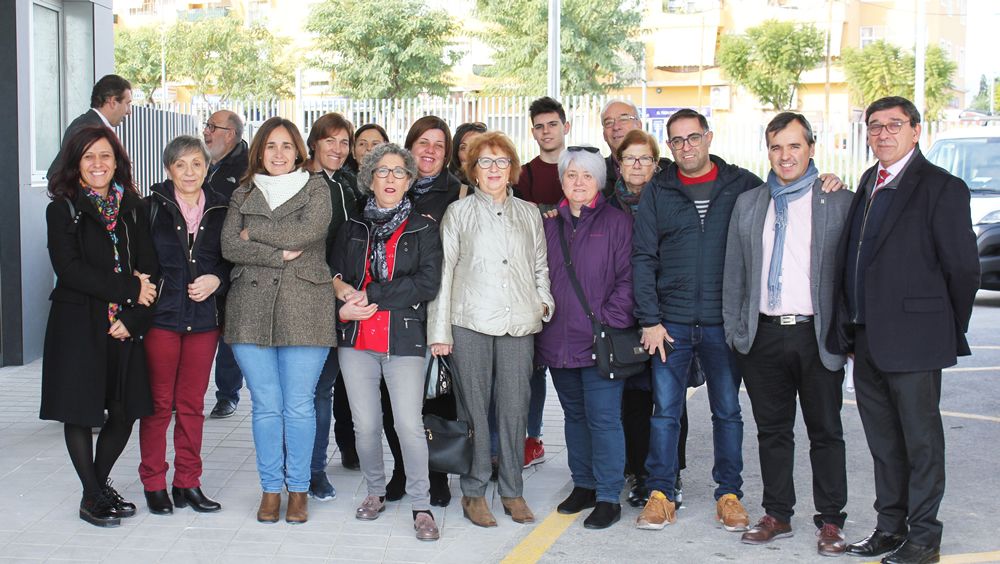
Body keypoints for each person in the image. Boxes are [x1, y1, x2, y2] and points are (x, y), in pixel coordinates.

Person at [632, 108, 844, 532]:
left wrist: (828, 180)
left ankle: (728, 494)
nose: (686, 146)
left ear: (709, 138)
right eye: (677, 140)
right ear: (669, 146)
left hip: (723, 324)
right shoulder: (659, 189)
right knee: (665, 412)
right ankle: (661, 494)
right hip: (671, 324)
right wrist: (650, 319)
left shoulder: (742, 186)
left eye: (693, 137)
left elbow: (791, 187)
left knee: (727, 412)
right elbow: (643, 256)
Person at [829, 97, 979, 564]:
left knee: (921, 443)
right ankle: (890, 527)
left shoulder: (942, 187)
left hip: (916, 340)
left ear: (916, 131)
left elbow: (963, 269)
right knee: (883, 443)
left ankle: (924, 537)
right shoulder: (868, 181)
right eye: (875, 126)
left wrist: (942, 326)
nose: (883, 133)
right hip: (866, 338)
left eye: (894, 125)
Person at [722, 113, 851, 556]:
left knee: (826, 431)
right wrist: (737, 332)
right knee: (772, 431)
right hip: (763, 336)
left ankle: (831, 520)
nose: (785, 155)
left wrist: (846, 335)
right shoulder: (750, 203)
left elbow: (850, 275)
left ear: (811, 148)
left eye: (794, 146)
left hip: (816, 336)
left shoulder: (837, 200)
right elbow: (735, 273)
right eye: (776, 147)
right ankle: (777, 514)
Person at [428, 131, 554, 528]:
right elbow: (445, 272)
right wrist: (440, 331)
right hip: (470, 321)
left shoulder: (528, 213)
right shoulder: (458, 213)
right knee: (473, 410)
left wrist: (543, 302)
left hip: (519, 321)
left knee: (515, 407)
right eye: (485, 162)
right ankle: (474, 491)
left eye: (501, 161)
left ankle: (513, 491)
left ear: (512, 168)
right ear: (474, 170)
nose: (494, 169)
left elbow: (540, 265)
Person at [41, 124, 158, 527]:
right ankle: (93, 495)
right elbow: (69, 269)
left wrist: (133, 317)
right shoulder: (63, 209)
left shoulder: (134, 207)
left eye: (105, 155)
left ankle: (95, 488)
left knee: (124, 411)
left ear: (116, 161)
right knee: (79, 411)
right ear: (75, 163)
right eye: (88, 156)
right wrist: (129, 288)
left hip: (123, 328)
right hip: (77, 326)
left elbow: (150, 269)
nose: (97, 164)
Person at [220, 117, 335, 525]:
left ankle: (299, 489)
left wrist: (254, 235)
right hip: (249, 308)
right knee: (266, 406)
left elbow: (308, 232)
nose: (279, 153)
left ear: (299, 151)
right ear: (259, 152)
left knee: (299, 405)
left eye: (287, 145)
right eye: (271, 146)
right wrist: (275, 253)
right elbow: (229, 244)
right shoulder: (243, 191)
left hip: (305, 306)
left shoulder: (316, 187)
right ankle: (271, 489)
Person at [331, 143, 443, 541]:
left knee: (409, 425)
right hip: (356, 338)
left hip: (404, 337)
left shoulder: (424, 227)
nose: (391, 178)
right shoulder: (352, 226)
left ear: (410, 180)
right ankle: (375, 492)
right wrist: (343, 298)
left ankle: (421, 505)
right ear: (370, 179)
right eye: (382, 171)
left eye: (399, 172)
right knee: (365, 426)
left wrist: (373, 294)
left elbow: (427, 283)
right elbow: (334, 274)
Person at [536, 145, 633, 530]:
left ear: (600, 181)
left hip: (599, 341)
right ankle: (584, 484)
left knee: (604, 420)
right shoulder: (548, 225)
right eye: (571, 175)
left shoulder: (617, 223)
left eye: (587, 175)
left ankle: (608, 496)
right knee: (574, 417)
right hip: (558, 341)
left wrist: (607, 322)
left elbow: (628, 280)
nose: (578, 182)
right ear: (562, 180)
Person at [376, 116, 463, 506]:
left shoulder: (458, 193)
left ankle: (437, 475)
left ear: (447, 154)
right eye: (422, 142)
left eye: (438, 145)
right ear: (408, 147)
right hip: (392, 310)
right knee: (393, 399)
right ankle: (403, 469)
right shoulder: (390, 185)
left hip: (436, 308)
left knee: (436, 395)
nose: (429, 151)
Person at [140, 136, 228, 516]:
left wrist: (217, 279)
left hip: (204, 322)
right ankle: (154, 483)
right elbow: (138, 261)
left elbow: (233, 260)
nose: (189, 172)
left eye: (197, 163)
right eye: (181, 164)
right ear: (168, 169)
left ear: (207, 167)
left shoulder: (222, 208)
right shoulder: (151, 208)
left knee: (192, 405)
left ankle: (187, 482)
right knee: (159, 405)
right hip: (161, 319)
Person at [610, 129, 691, 510]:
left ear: (656, 164)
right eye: (630, 158)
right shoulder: (608, 205)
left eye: (645, 158)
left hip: (667, 312)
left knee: (669, 397)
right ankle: (640, 474)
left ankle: (670, 472)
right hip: (624, 316)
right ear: (619, 164)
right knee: (634, 399)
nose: (637, 165)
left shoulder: (672, 197)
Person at [304, 112, 361, 499]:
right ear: (314, 143)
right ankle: (298, 469)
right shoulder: (300, 183)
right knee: (304, 392)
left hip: (341, 302)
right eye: (330, 141)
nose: (338, 149)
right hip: (307, 298)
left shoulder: (345, 185)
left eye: (344, 142)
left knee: (323, 388)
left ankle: (315, 470)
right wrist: (333, 281)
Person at [517, 97, 574, 469]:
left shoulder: (582, 167)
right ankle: (532, 438)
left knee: (575, 370)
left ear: (565, 127)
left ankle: (584, 447)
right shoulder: (524, 175)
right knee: (534, 367)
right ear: (533, 132)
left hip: (579, 284)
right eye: (539, 126)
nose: (546, 131)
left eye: (552, 124)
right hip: (535, 281)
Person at [203, 110, 250, 420]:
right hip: (205, 258)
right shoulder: (203, 162)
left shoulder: (248, 168)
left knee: (229, 332)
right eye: (206, 126)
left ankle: (228, 394)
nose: (206, 131)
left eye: (212, 126)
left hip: (235, 261)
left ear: (230, 134)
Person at [47, 74, 133, 180]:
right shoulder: (88, 129)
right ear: (112, 102)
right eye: (127, 104)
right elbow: (57, 174)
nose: (129, 111)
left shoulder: (89, 124)